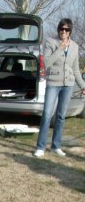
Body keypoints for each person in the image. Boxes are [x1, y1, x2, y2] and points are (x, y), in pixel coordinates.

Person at [34, 18, 85, 157]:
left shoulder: (75, 46)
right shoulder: (51, 42)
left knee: (61, 116)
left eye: (67, 29)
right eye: (62, 29)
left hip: (68, 84)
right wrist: (60, 48)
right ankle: (41, 147)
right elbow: (47, 63)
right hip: (53, 83)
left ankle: (56, 146)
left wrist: (82, 85)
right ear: (58, 30)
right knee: (47, 114)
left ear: (70, 32)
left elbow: (75, 69)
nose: (64, 31)